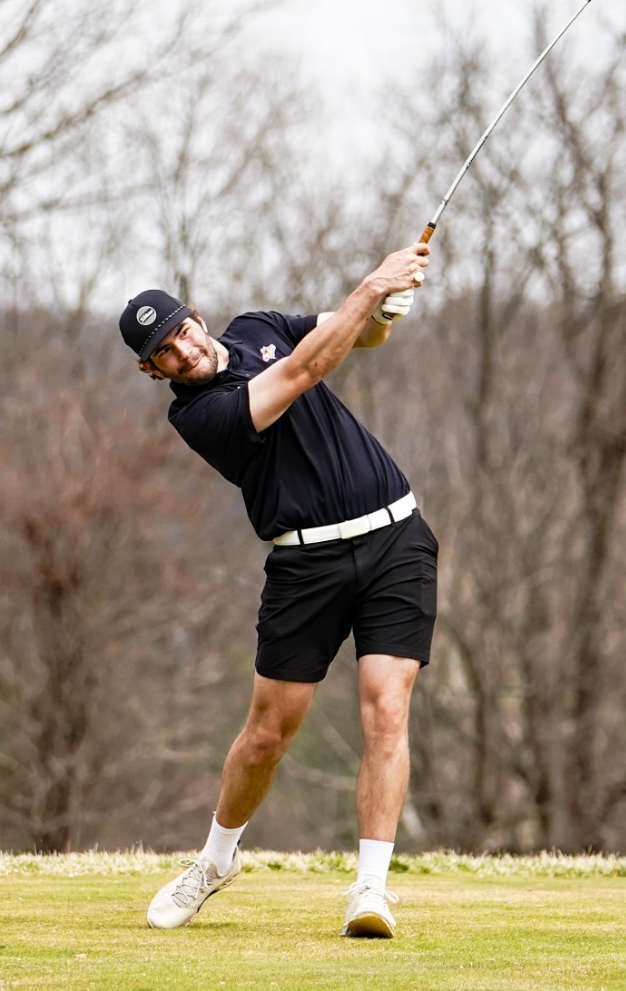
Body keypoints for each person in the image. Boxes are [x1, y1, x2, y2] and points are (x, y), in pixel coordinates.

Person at [118, 240, 435, 939]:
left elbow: (353, 336)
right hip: (306, 566)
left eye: (181, 332)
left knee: (387, 710)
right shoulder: (199, 417)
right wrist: (369, 285)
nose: (183, 352)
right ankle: (215, 861)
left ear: (197, 318)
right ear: (152, 370)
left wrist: (384, 311)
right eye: (164, 353)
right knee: (266, 736)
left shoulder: (259, 324)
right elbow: (308, 367)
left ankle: (372, 891)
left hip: (395, 540)